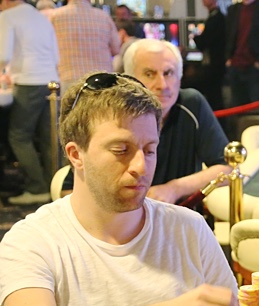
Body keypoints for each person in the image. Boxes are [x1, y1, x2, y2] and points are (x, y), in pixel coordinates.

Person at [0, 72, 244, 306]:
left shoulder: (189, 228)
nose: (141, 167)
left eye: (150, 150)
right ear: (76, 155)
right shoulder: (31, 241)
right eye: (121, 150)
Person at [62, 39, 232, 204]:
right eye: (149, 74)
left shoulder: (191, 104)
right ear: (129, 80)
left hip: (178, 215)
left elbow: (229, 169)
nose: (162, 85)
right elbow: (69, 189)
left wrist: (174, 188)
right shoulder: (111, 113)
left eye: (168, 73)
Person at [0, 0, 60, 205]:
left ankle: (36, 188)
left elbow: (3, 55)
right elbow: (56, 57)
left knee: (19, 136)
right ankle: (53, 186)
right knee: (48, 138)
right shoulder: (41, 18)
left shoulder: (8, 16)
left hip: (28, 81)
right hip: (51, 81)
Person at [51, 0, 121, 91]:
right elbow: (116, 49)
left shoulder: (55, 16)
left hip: (68, 77)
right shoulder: (104, 17)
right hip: (102, 79)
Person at [194, 0, 227, 111]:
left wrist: (196, 38)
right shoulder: (214, 17)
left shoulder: (216, 18)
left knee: (214, 97)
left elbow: (204, 42)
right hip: (214, 64)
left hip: (215, 65)